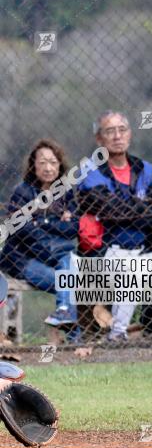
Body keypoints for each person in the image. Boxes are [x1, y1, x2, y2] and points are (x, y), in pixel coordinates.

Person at [77, 110, 152, 341]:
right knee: (131, 272)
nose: (117, 136)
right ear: (99, 139)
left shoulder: (144, 169)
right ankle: (117, 336)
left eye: (122, 130)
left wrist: (127, 210)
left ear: (130, 135)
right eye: (110, 131)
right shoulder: (90, 170)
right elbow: (108, 211)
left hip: (144, 251)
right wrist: (142, 207)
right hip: (107, 254)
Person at [0, 139, 79, 334]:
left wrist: (41, 222)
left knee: (68, 263)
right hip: (22, 258)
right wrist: (56, 225)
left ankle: (63, 313)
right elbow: (22, 230)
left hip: (56, 256)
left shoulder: (66, 193)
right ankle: (75, 338)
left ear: (60, 164)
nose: (48, 167)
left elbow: (73, 228)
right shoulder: (23, 192)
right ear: (33, 165)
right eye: (42, 162)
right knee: (68, 282)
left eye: (53, 162)